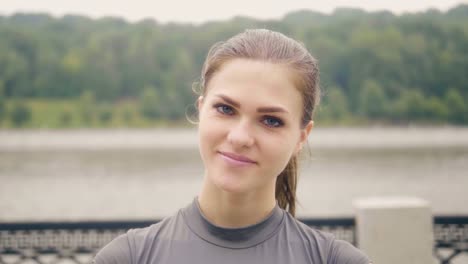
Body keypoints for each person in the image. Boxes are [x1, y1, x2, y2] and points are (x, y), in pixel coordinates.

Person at [93, 29, 371, 264]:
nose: (240, 137)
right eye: (225, 109)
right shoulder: (128, 258)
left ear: (301, 136)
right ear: (201, 111)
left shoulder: (335, 260)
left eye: (271, 121)